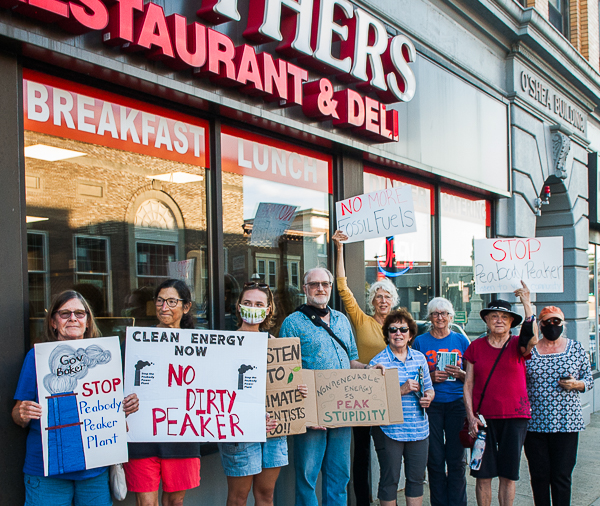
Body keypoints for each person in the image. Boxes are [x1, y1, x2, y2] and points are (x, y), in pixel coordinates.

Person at [12, 290, 139, 506]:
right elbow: (17, 415)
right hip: (47, 471)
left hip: (94, 471)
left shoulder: (105, 359)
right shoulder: (36, 358)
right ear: (53, 322)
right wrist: (22, 412)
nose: (73, 318)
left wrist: (126, 407)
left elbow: (115, 414)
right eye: (65, 313)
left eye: (80, 313)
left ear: (88, 322)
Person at [279, 267, 384, 506]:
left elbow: (351, 360)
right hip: (310, 410)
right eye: (314, 284)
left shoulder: (342, 320)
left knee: (339, 474)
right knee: (307, 475)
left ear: (330, 288)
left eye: (325, 284)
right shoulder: (293, 323)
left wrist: (368, 370)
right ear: (305, 289)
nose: (320, 288)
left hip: (341, 408)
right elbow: (286, 370)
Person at [218, 281, 307, 506]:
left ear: (268, 310)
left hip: (274, 429)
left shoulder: (277, 347)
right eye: (247, 303)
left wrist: (296, 390)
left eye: (259, 304)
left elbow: (284, 386)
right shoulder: (224, 346)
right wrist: (251, 419)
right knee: (238, 497)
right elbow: (218, 393)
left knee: (266, 494)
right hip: (241, 430)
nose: (253, 307)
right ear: (238, 307)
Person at [332, 229, 399, 505]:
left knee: (387, 456)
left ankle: (387, 498)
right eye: (378, 296)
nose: (383, 301)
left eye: (387, 297)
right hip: (362, 396)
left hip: (390, 395)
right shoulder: (361, 320)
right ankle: (362, 502)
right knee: (360, 455)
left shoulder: (400, 327)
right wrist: (339, 249)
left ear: (393, 301)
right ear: (372, 301)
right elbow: (342, 287)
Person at [124, 279, 200, 506]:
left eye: (171, 301)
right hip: (142, 434)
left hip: (182, 434)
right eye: (160, 301)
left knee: (176, 502)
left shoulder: (200, 344)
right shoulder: (136, 342)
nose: (164, 307)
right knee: (146, 503)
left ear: (186, 307)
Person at [463, 282, 538, 506]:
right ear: (486, 320)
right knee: (482, 474)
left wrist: (526, 302)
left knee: (508, 474)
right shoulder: (475, 347)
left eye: (504, 317)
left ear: (511, 323)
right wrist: (470, 416)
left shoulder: (518, 345)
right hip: (483, 420)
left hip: (515, 418)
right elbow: (468, 384)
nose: (499, 320)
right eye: (494, 316)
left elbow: (532, 339)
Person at [524, 306, 593, 506]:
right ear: (540, 324)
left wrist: (577, 384)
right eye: (547, 322)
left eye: (556, 322)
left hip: (567, 423)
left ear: (563, 324)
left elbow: (588, 380)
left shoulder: (576, 348)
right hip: (535, 424)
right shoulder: (531, 350)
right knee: (539, 476)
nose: (552, 326)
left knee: (562, 476)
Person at [369, 308, 435, 506]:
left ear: (411, 334)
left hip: (419, 429)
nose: (398, 333)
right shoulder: (377, 362)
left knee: (416, 480)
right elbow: (372, 402)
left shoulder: (419, 358)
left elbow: (430, 389)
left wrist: (428, 398)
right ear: (387, 334)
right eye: (393, 329)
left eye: (403, 329)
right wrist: (401, 389)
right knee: (390, 480)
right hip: (390, 430)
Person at [412, 297, 470, 506]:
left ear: (451, 317)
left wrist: (461, 373)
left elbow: (473, 376)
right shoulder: (420, 341)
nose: (440, 317)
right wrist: (431, 375)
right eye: (435, 314)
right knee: (435, 459)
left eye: (444, 314)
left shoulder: (461, 341)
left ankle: (457, 503)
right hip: (432, 405)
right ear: (429, 317)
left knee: (456, 459)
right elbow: (414, 373)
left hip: (457, 403)